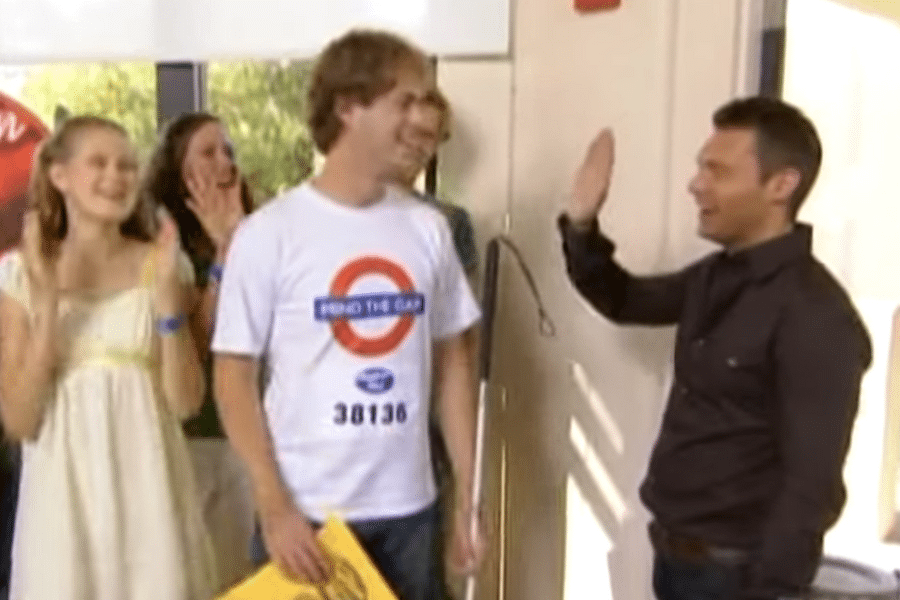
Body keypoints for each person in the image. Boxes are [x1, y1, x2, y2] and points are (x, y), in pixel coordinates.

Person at [558, 97, 872, 600]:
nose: (696, 184)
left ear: (781, 185)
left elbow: (811, 488)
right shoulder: (715, 276)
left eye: (718, 171)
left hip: (738, 578)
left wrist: (770, 589)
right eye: (700, 167)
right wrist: (581, 225)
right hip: (677, 561)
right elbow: (624, 298)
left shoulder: (817, 316)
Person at [212, 29, 485, 600]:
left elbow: (455, 360)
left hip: (413, 512)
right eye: (405, 101)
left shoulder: (428, 229)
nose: (425, 119)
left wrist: (467, 496)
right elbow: (233, 377)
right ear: (348, 106)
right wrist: (274, 505)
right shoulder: (269, 234)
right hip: (306, 518)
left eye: (428, 101)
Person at [0, 115, 217, 600]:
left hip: (151, 498)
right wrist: (48, 301)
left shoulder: (162, 263)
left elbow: (185, 403)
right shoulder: (18, 275)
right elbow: (20, 419)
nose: (116, 176)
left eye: (127, 165)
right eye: (98, 162)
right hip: (61, 506)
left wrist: (166, 307)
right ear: (59, 176)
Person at [143, 112, 256, 591]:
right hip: (188, 438)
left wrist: (238, 239)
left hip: (247, 436)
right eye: (208, 152)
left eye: (227, 149)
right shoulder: (160, 245)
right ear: (178, 169)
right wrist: (223, 254)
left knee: (238, 577)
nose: (224, 161)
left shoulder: (260, 229)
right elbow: (199, 344)